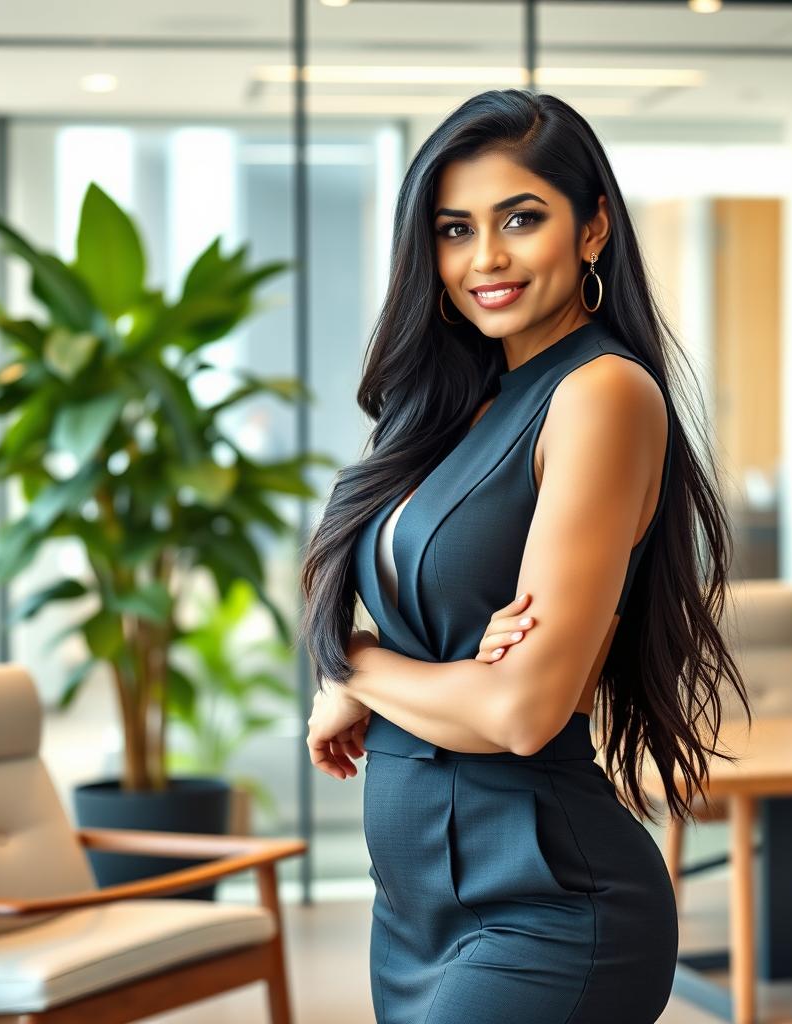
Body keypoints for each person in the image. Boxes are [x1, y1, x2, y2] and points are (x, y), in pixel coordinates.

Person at [299, 88, 751, 1024]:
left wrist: (362, 666)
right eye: (455, 228)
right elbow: (461, 677)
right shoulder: (463, 407)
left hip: (545, 909)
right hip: (415, 916)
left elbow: (517, 710)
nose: (485, 258)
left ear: (592, 229)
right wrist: (427, 676)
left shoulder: (602, 394)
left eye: (521, 218)